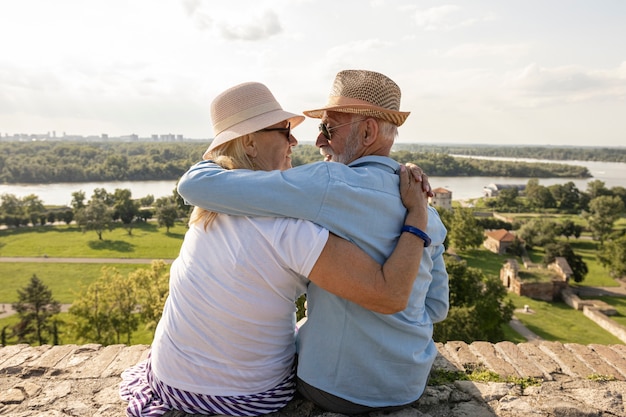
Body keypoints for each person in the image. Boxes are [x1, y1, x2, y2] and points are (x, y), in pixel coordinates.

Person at [119, 81, 430, 417]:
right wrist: (416, 214)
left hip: (170, 380)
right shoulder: (291, 228)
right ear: (250, 143)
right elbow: (387, 295)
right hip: (245, 397)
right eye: (284, 130)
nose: (296, 140)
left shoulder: (207, 213)